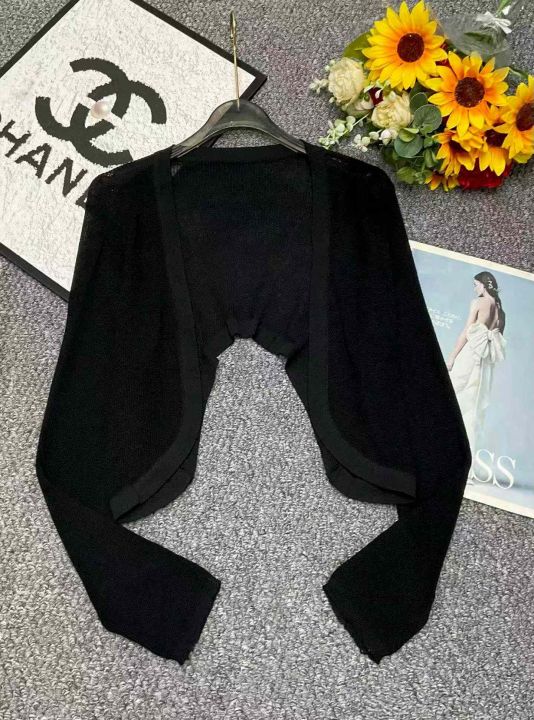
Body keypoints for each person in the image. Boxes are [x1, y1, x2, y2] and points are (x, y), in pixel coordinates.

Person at [447, 272, 507, 480]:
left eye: (475, 285)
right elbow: (497, 340)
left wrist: (452, 357)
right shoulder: (500, 311)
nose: (475, 289)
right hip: (484, 365)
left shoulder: (478, 303)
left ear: (483, 285)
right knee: (472, 412)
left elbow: (466, 332)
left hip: (470, 356)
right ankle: (466, 469)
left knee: (451, 398)